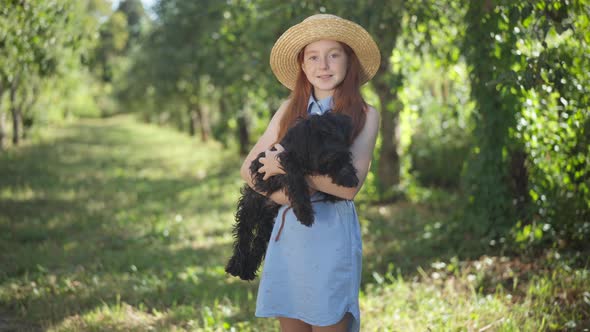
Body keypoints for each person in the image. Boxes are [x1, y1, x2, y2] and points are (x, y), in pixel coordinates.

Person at [239, 14, 381, 332]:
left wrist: (289, 169)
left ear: (349, 61)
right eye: (313, 57)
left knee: (330, 318)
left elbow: (348, 187)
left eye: (334, 55)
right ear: (303, 66)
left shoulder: (365, 115)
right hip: (289, 237)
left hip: (331, 239)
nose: (324, 65)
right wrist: (287, 196)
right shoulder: (289, 110)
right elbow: (248, 169)